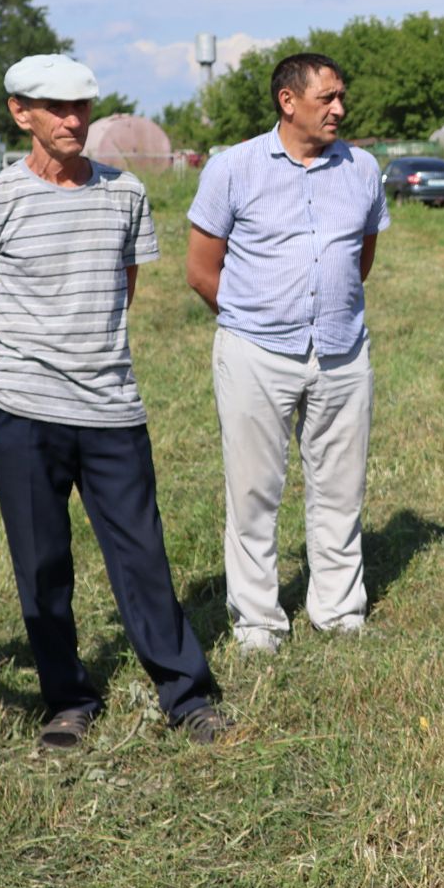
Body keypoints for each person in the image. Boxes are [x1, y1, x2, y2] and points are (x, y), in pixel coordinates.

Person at [0, 55, 229, 748]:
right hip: (22, 415)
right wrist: (14, 373)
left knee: (143, 558)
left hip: (112, 411)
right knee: (42, 567)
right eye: (56, 108)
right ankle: (68, 700)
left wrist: (83, 358)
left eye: (82, 107)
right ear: (22, 113)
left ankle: (187, 697)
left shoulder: (125, 194)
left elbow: (122, 290)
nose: (73, 120)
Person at [186, 52, 389, 653]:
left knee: (341, 485)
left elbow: (362, 260)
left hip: (342, 351)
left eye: (341, 96)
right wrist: (255, 322)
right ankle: (257, 622)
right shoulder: (233, 169)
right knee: (253, 491)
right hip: (255, 351)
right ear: (288, 100)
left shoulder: (362, 168)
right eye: (327, 97)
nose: (339, 108)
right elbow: (201, 271)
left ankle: (339, 610)